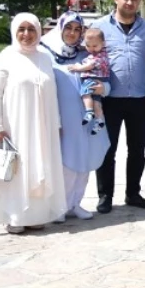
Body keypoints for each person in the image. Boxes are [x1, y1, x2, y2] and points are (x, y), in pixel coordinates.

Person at [0, 14, 67, 233]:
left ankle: (35, 215)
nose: (26, 34)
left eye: (31, 29)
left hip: (44, 126)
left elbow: (54, 93)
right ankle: (14, 216)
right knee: (18, 168)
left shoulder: (44, 57)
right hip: (16, 126)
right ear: (14, 31)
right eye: (21, 29)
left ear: (39, 31)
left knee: (40, 164)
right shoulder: (6, 57)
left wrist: (57, 123)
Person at [93, 0, 145, 214]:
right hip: (109, 99)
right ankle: (105, 196)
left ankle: (132, 193)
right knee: (107, 149)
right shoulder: (100, 27)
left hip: (140, 100)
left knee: (137, 149)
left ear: (139, 0)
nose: (130, 2)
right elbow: (90, 57)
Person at [39, 12, 110, 220]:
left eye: (77, 29)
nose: (72, 33)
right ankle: (59, 206)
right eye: (68, 28)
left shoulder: (87, 53)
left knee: (85, 159)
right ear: (60, 28)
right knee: (65, 161)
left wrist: (102, 88)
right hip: (63, 117)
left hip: (87, 119)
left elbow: (107, 81)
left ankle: (75, 203)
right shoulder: (46, 54)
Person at [64, 26, 110, 133]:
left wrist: (77, 68)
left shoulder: (97, 56)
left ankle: (89, 112)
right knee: (96, 102)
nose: (91, 48)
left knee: (85, 94)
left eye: (94, 46)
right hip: (69, 113)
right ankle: (99, 120)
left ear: (103, 44)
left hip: (92, 79)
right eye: (88, 46)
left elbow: (89, 66)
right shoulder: (90, 52)